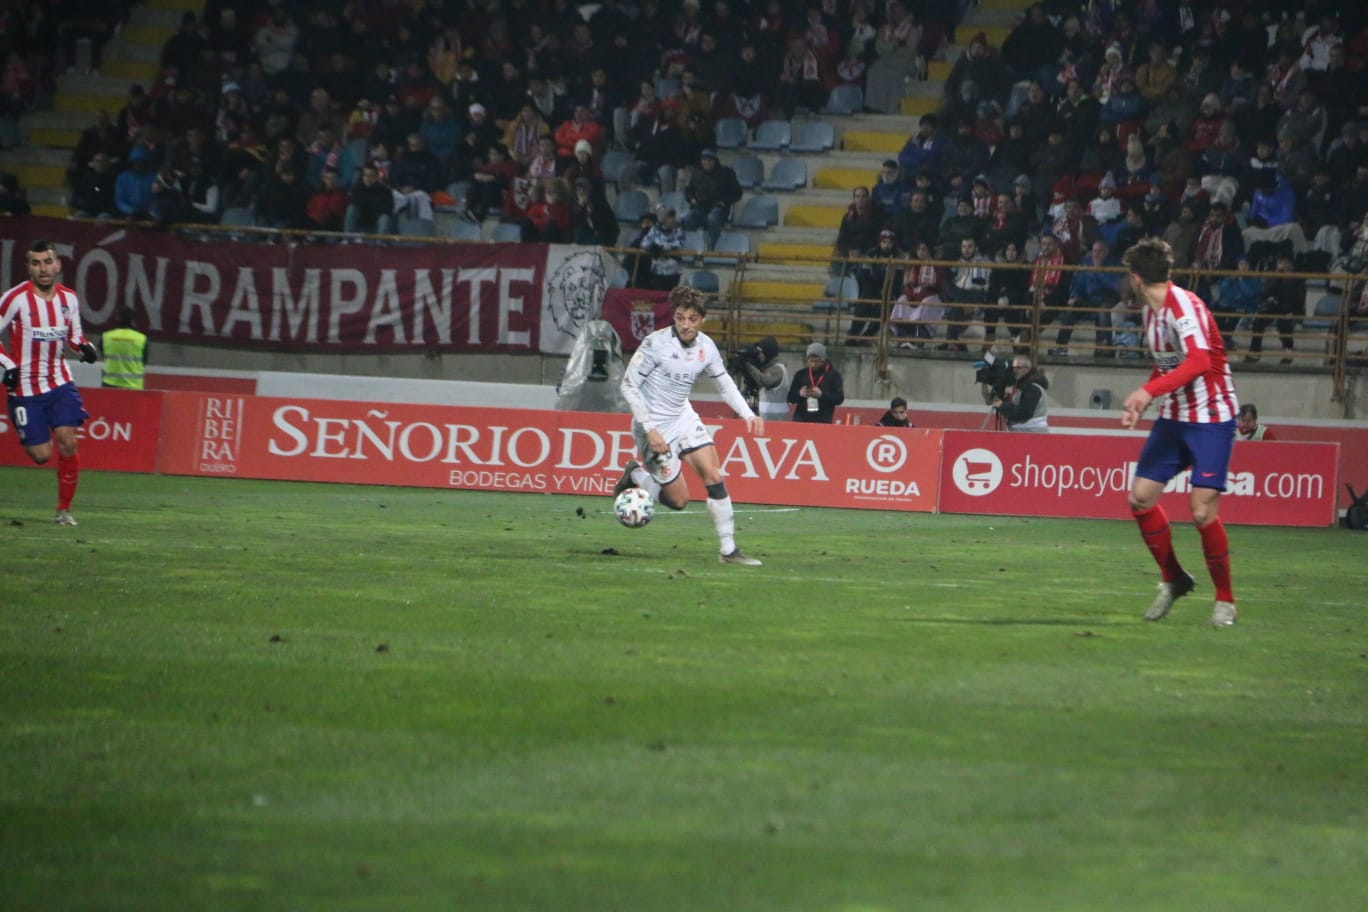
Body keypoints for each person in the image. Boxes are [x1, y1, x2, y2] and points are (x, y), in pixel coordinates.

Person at [1119, 237, 1240, 628]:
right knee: (1140, 498)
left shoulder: (1182, 305)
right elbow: (1169, 364)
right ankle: (1175, 579)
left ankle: (1225, 601)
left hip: (1211, 416)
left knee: (1202, 510)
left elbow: (1200, 360)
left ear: (1135, 278)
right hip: (1175, 417)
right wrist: (1146, 398)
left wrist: (1147, 391)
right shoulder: (1150, 315)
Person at [614, 285, 765, 566]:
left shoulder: (706, 347)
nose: (685, 325)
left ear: (702, 319)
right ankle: (635, 475)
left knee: (714, 475)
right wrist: (649, 428)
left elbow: (724, 384)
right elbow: (629, 385)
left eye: (692, 319)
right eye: (680, 318)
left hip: (683, 417)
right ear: (674, 317)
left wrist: (748, 414)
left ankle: (728, 551)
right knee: (678, 500)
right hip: (653, 425)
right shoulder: (655, 344)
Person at [0, 241, 100, 526]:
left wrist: (85, 347)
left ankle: (64, 510)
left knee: (68, 442)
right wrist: (7, 365)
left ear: (58, 265)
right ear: (28, 267)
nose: (43, 269)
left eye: (47, 262)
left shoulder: (69, 299)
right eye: (36, 263)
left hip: (59, 382)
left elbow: (74, 337)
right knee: (41, 455)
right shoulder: (14, 299)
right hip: (25, 387)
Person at [730, 336, 789, 422]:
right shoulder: (768, 368)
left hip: (776, 419)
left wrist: (747, 365)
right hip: (768, 417)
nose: (758, 355)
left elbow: (764, 381)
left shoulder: (778, 369)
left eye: (760, 352)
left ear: (768, 352)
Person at [787, 342, 845, 423]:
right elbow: (791, 397)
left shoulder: (833, 375)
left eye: (816, 361)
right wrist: (799, 393)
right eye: (811, 361)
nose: (813, 364)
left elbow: (839, 398)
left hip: (823, 419)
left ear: (823, 360)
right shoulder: (801, 374)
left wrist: (822, 395)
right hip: (801, 418)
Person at [991, 355, 1049, 432]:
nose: (1014, 371)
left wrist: (1002, 406)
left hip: (1031, 433)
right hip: (1024, 431)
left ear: (1026, 369)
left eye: (1018, 368)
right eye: (1013, 368)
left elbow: (1023, 414)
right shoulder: (1022, 385)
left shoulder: (1032, 388)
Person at [100, 306, 148, 389]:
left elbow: (104, 355)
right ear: (133, 320)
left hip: (110, 384)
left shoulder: (106, 337)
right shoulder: (141, 338)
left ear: (117, 319)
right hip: (134, 386)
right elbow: (144, 361)